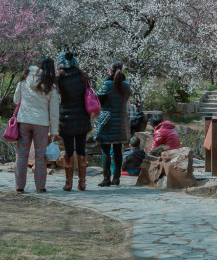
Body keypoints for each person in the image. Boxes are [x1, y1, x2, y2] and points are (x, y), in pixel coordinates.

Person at [13, 56, 60, 193]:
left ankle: (19, 186)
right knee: (40, 155)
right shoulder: (51, 85)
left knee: (21, 155)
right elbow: (54, 111)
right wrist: (54, 130)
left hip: (24, 120)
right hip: (41, 123)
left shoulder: (24, 79)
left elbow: (16, 100)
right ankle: (40, 187)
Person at [56, 51, 94, 191]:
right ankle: (82, 182)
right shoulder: (83, 76)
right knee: (81, 148)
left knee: (68, 150)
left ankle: (68, 183)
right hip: (82, 117)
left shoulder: (59, 78)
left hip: (66, 118)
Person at [95, 61, 132, 187]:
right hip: (121, 120)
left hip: (107, 120)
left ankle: (106, 178)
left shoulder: (107, 84)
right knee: (118, 150)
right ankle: (116, 178)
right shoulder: (126, 85)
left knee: (105, 149)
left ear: (110, 71)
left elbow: (97, 98)